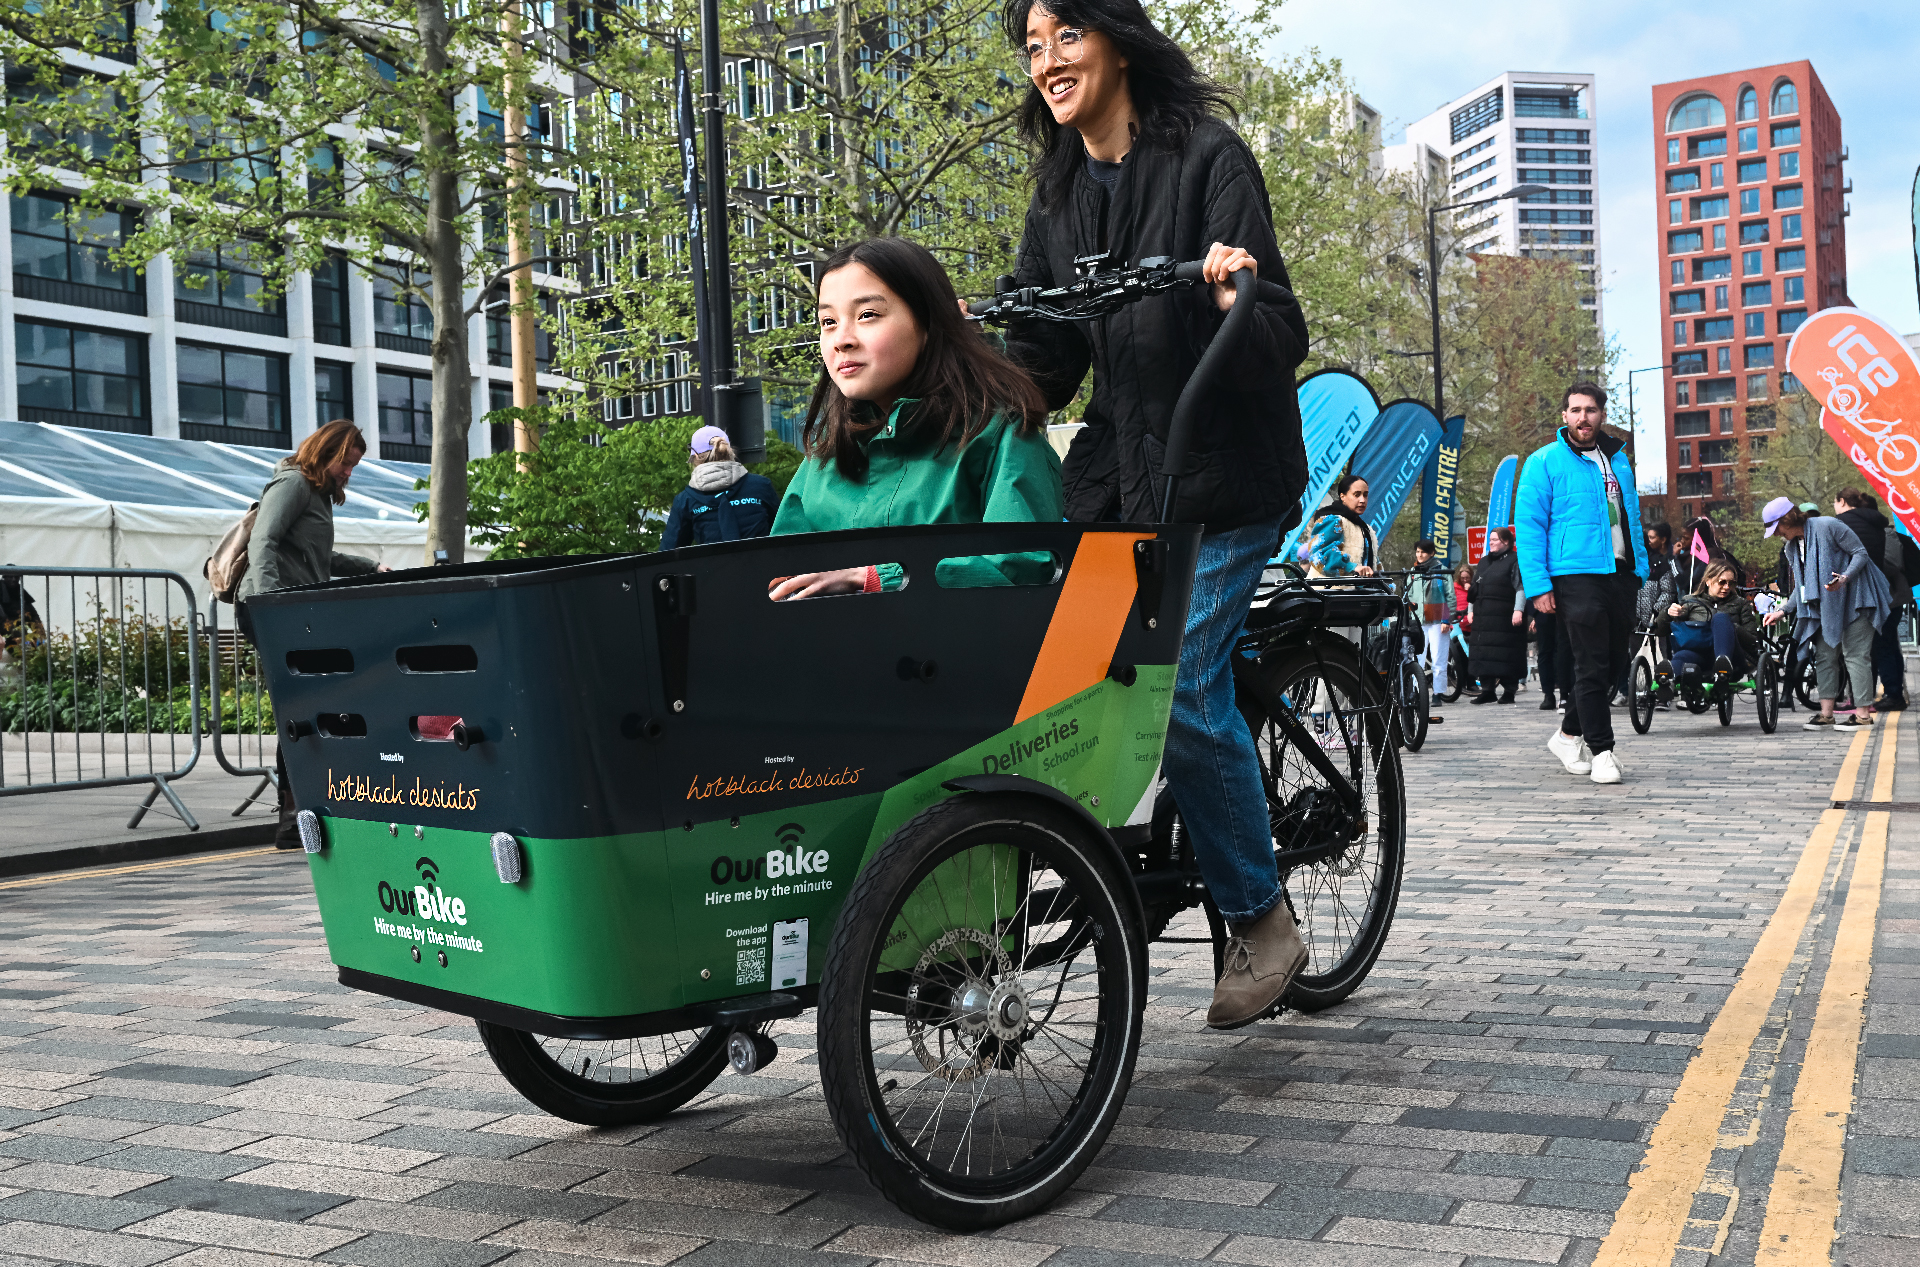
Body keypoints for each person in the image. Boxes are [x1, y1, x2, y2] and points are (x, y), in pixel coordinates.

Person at [997, 0, 1311, 1029]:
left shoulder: (1210, 158)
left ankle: (1262, 918)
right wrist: (968, 353)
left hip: (1224, 479)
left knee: (1175, 683)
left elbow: (1281, 327)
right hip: (1126, 484)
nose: (1048, 61)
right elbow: (1048, 358)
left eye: (1065, 37)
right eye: (1033, 46)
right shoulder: (1057, 198)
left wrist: (1234, 296)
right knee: (1044, 674)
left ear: (1115, 40)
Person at [767, 237, 1060, 601]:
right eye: (828, 321)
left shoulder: (1001, 428)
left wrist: (878, 579)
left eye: (867, 315)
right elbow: (778, 573)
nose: (841, 339)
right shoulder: (828, 444)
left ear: (928, 322)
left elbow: (1024, 568)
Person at [238, 420, 391, 848]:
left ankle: (311, 811)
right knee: (302, 710)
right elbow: (263, 541)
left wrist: (369, 568)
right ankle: (293, 819)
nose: (349, 472)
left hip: (296, 613)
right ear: (326, 452)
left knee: (318, 708)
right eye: (347, 462)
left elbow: (316, 555)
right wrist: (268, 605)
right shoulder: (292, 484)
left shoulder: (318, 495)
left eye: (353, 465)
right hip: (274, 613)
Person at [1515, 382, 1647, 785]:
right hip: (1574, 574)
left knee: (1611, 667)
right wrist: (1538, 586)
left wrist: (1639, 568)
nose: (1583, 417)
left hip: (1620, 573)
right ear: (1564, 416)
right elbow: (1529, 527)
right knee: (1590, 663)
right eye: (1575, 410)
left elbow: (1631, 517)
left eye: (1590, 410)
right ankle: (1603, 750)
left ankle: (1568, 735)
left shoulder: (1618, 459)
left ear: (1601, 415)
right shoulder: (1544, 461)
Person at [1761, 497, 1890, 731]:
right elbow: (1801, 587)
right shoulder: (1791, 547)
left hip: (1857, 599)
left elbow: (1860, 554)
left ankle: (1863, 716)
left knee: (1855, 655)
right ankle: (1826, 714)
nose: (1777, 534)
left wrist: (1845, 578)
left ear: (1786, 520)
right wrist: (1783, 611)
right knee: (1824, 656)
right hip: (1826, 607)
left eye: (1777, 528)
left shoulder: (1828, 525)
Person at [1832, 489, 1898, 711]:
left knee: (1855, 651)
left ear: (1842, 501)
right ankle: (1871, 699)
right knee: (1877, 647)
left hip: (1852, 590)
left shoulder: (1840, 523)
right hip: (1880, 590)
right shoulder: (1878, 525)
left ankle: (1861, 703)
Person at [662, 427, 777, 548]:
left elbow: (668, 554)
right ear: (729, 451)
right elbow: (784, 532)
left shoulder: (685, 500)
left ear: (695, 456)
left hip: (713, 567)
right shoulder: (761, 486)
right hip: (763, 565)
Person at [1667, 561, 1760, 684]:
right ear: (1708, 581)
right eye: (1722, 582)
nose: (1727, 587)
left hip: (1733, 657)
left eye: (1731, 583)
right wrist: (1667, 613)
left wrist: (1731, 628)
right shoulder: (1690, 602)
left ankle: (1722, 667)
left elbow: (1753, 642)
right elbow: (1661, 629)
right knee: (1681, 656)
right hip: (1700, 654)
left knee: (1721, 618)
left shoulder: (1741, 604)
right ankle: (1668, 681)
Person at [1466, 526, 1525, 704]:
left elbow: (1520, 587)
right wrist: (1470, 611)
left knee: (1507, 654)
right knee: (1483, 653)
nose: (1490, 543)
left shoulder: (1515, 560)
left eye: (1495, 540)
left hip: (1505, 616)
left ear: (1506, 542)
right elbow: (1475, 588)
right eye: (1490, 540)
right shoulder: (1483, 562)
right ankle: (1487, 690)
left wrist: (1518, 609)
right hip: (1483, 617)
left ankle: (1509, 691)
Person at [1411, 539, 1457, 705]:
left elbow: (1450, 596)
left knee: (1439, 658)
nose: (1420, 555)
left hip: (1438, 620)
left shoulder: (1442, 571)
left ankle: (1438, 693)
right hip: (1419, 621)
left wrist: (1447, 619)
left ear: (1431, 553)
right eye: (1417, 551)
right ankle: (1416, 693)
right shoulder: (1413, 572)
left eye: (1423, 551)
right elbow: (1410, 596)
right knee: (1417, 659)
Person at [1306, 476, 1376, 579]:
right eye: (1357, 495)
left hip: (1354, 593)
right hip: (1325, 592)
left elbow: (1372, 563)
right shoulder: (1332, 520)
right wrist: (1351, 567)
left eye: (1365, 495)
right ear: (1342, 496)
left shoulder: (1365, 529)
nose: (1362, 500)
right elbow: (1319, 554)